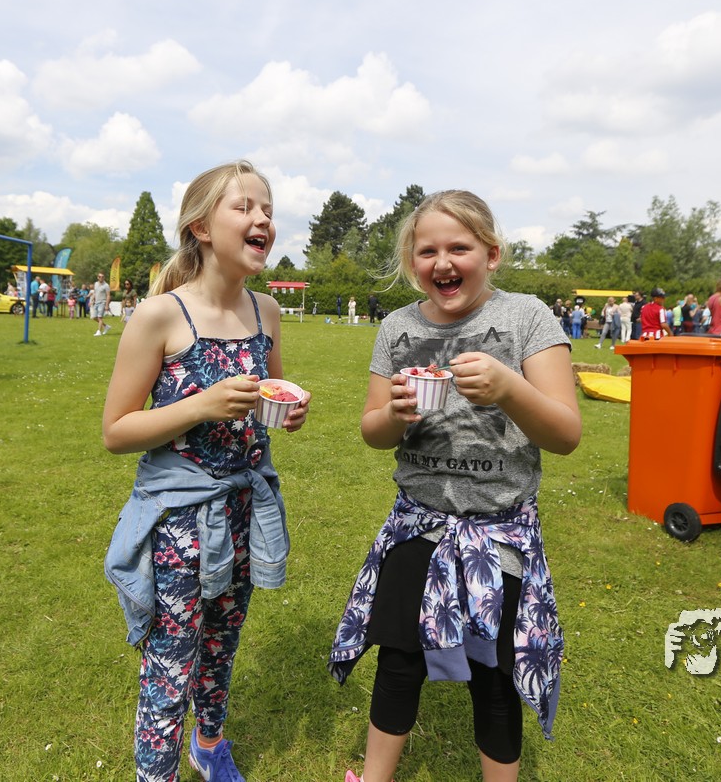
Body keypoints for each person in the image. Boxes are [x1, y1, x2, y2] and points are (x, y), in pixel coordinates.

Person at [329, 190, 582, 782]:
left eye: (459, 248)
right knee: (398, 662)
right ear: (411, 262)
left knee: (494, 679)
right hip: (418, 524)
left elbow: (566, 434)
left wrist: (509, 389)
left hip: (499, 535)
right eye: (427, 251)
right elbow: (372, 432)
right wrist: (395, 415)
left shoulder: (527, 318)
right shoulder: (397, 327)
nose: (442, 262)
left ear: (491, 255)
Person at [102, 161, 310, 782]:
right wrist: (200, 405)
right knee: (171, 664)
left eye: (267, 209)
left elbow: (265, 397)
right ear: (200, 227)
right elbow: (116, 430)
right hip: (180, 522)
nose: (262, 219)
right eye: (244, 207)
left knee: (222, 642)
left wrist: (285, 412)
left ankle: (209, 744)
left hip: (245, 509)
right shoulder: (160, 316)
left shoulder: (267, 312)